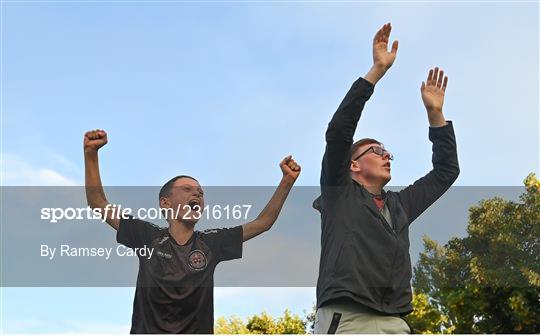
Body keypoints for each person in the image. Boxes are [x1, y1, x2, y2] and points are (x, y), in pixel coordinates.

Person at [313, 22, 460, 334]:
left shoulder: (399, 205)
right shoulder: (338, 193)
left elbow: (446, 172)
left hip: (395, 320)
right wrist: (376, 71)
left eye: (387, 151)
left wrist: (436, 114)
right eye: (376, 149)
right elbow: (339, 131)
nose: (386, 155)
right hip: (348, 316)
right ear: (352, 165)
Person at [83, 130, 301, 334]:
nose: (197, 193)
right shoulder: (147, 237)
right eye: (187, 189)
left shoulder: (213, 243)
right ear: (165, 202)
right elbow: (98, 203)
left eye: (201, 192)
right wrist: (91, 153)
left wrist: (287, 181)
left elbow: (263, 223)